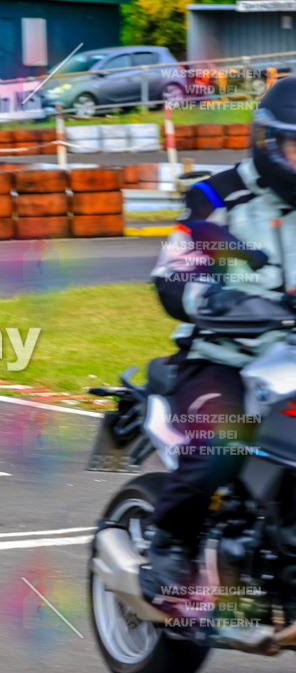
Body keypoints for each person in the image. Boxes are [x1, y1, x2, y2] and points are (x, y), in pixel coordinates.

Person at [143, 76, 296, 599]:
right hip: (222, 356)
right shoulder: (218, 198)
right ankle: (170, 543)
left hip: (290, 361)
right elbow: (172, 275)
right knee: (221, 442)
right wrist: (214, 300)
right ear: (269, 142)